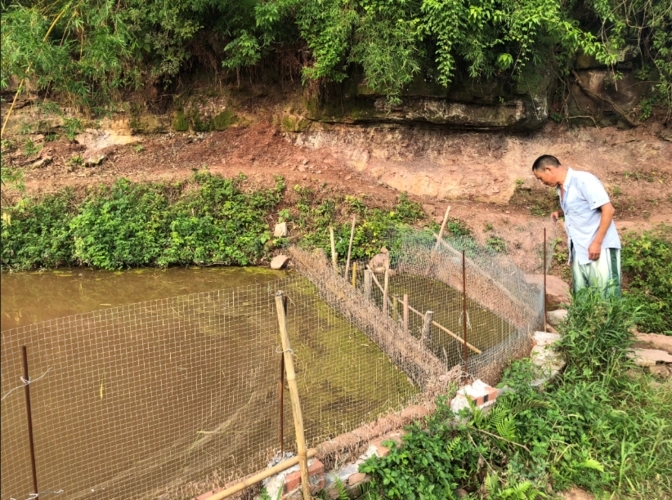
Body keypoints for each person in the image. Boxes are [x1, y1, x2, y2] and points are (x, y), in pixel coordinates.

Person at [532, 155, 621, 296]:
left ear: (548, 169)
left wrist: (597, 242)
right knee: (583, 297)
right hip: (579, 248)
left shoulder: (583, 180)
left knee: (607, 296)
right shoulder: (561, 189)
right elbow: (581, 206)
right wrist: (560, 213)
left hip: (599, 247)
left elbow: (608, 210)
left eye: (540, 178)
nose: (541, 182)